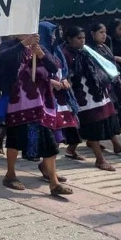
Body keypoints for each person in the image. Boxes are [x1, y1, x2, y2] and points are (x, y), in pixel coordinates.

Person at [0, 33, 72, 195]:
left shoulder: (39, 46)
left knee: (48, 140)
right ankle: (10, 175)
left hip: (41, 104)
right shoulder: (9, 46)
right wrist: (23, 44)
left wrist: (41, 55)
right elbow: (2, 59)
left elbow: (54, 67)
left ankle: (54, 182)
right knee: (15, 139)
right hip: (18, 103)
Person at [63, 26, 121, 172]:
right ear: (69, 39)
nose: (82, 41)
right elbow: (65, 73)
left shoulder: (87, 51)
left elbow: (104, 65)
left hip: (97, 91)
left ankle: (72, 149)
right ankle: (100, 159)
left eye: (83, 38)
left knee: (105, 119)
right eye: (79, 38)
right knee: (92, 124)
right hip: (82, 96)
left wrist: (117, 82)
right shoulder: (65, 54)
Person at [38, 22, 82, 162]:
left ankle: (50, 165)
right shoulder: (37, 52)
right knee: (53, 132)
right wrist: (51, 83)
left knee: (70, 127)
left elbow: (63, 70)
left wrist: (64, 79)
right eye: (51, 34)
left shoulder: (57, 50)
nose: (54, 37)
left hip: (62, 97)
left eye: (55, 34)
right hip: (46, 98)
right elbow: (35, 76)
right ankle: (48, 167)